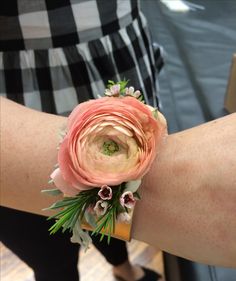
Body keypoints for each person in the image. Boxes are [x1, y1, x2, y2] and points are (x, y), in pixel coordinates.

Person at [0, 1, 166, 281]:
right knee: (51, 261)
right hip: (13, 108)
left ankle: (122, 266)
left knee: (116, 214)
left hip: (118, 64)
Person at [1, 98, 236, 269]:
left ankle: (124, 269)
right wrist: (165, 178)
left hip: (122, 79)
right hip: (21, 143)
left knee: (113, 242)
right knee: (53, 264)